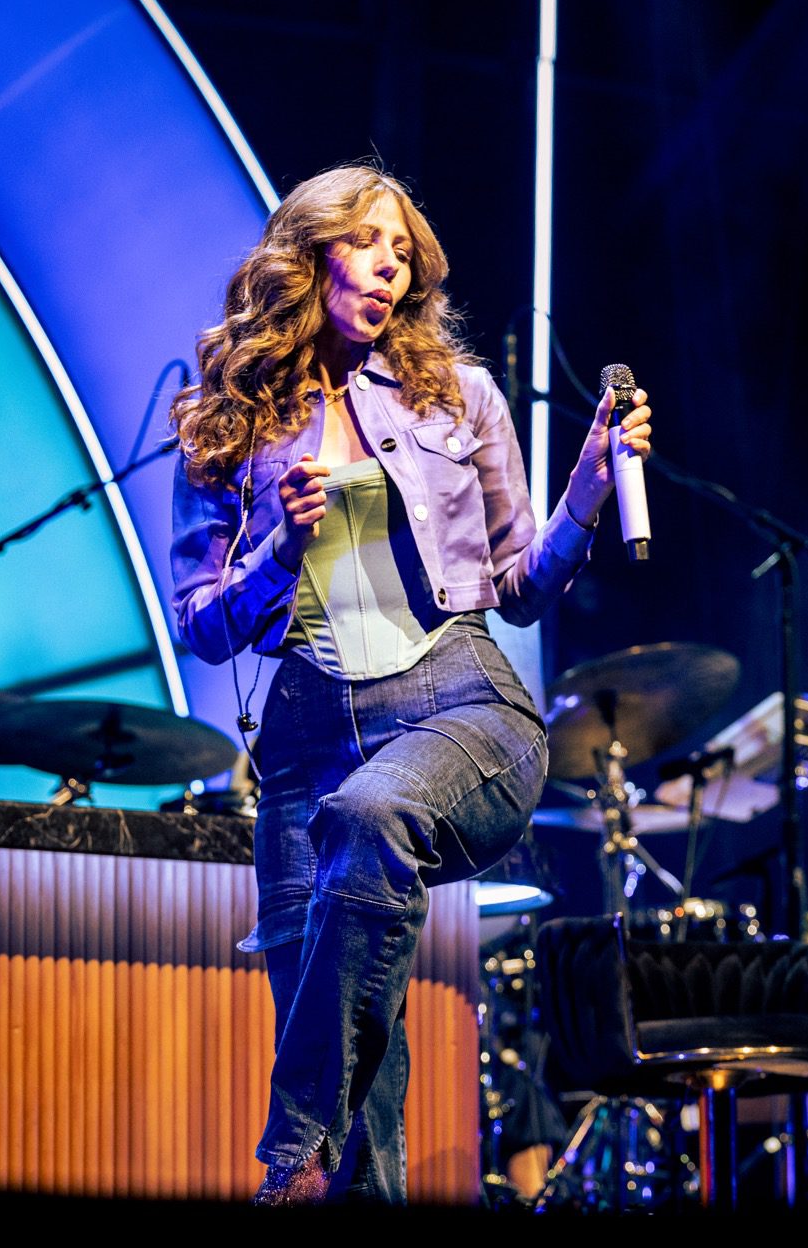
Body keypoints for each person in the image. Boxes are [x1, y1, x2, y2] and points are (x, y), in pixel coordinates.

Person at [168, 164, 651, 1206]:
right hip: (304, 742)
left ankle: (283, 1146)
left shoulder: (458, 392)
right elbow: (202, 625)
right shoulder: (223, 418)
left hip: (459, 702)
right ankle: (330, 1159)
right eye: (366, 242)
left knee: (371, 811)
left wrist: (585, 494)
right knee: (364, 1068)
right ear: (309, 253)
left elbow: (521, 588)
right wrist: (276, 552)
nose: (389, 264)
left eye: (403, 250)